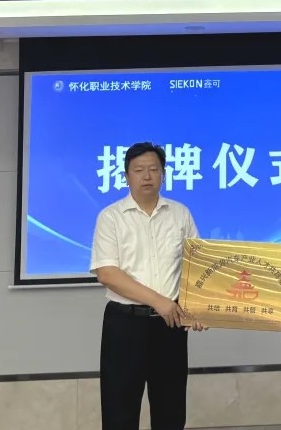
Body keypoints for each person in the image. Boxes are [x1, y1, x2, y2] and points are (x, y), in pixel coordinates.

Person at [90, 141, 206, 430]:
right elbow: (107, 273)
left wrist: (200, 308)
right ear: (126, 176)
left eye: (154, 169)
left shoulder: (180, 214)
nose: (147, 176)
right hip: (124, 324)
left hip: (170, 325)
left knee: (170, 410)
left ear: (163, 174)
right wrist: (159, 301)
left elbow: (197, 266)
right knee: (119, 410)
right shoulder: (110, 217)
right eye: (139, 170)